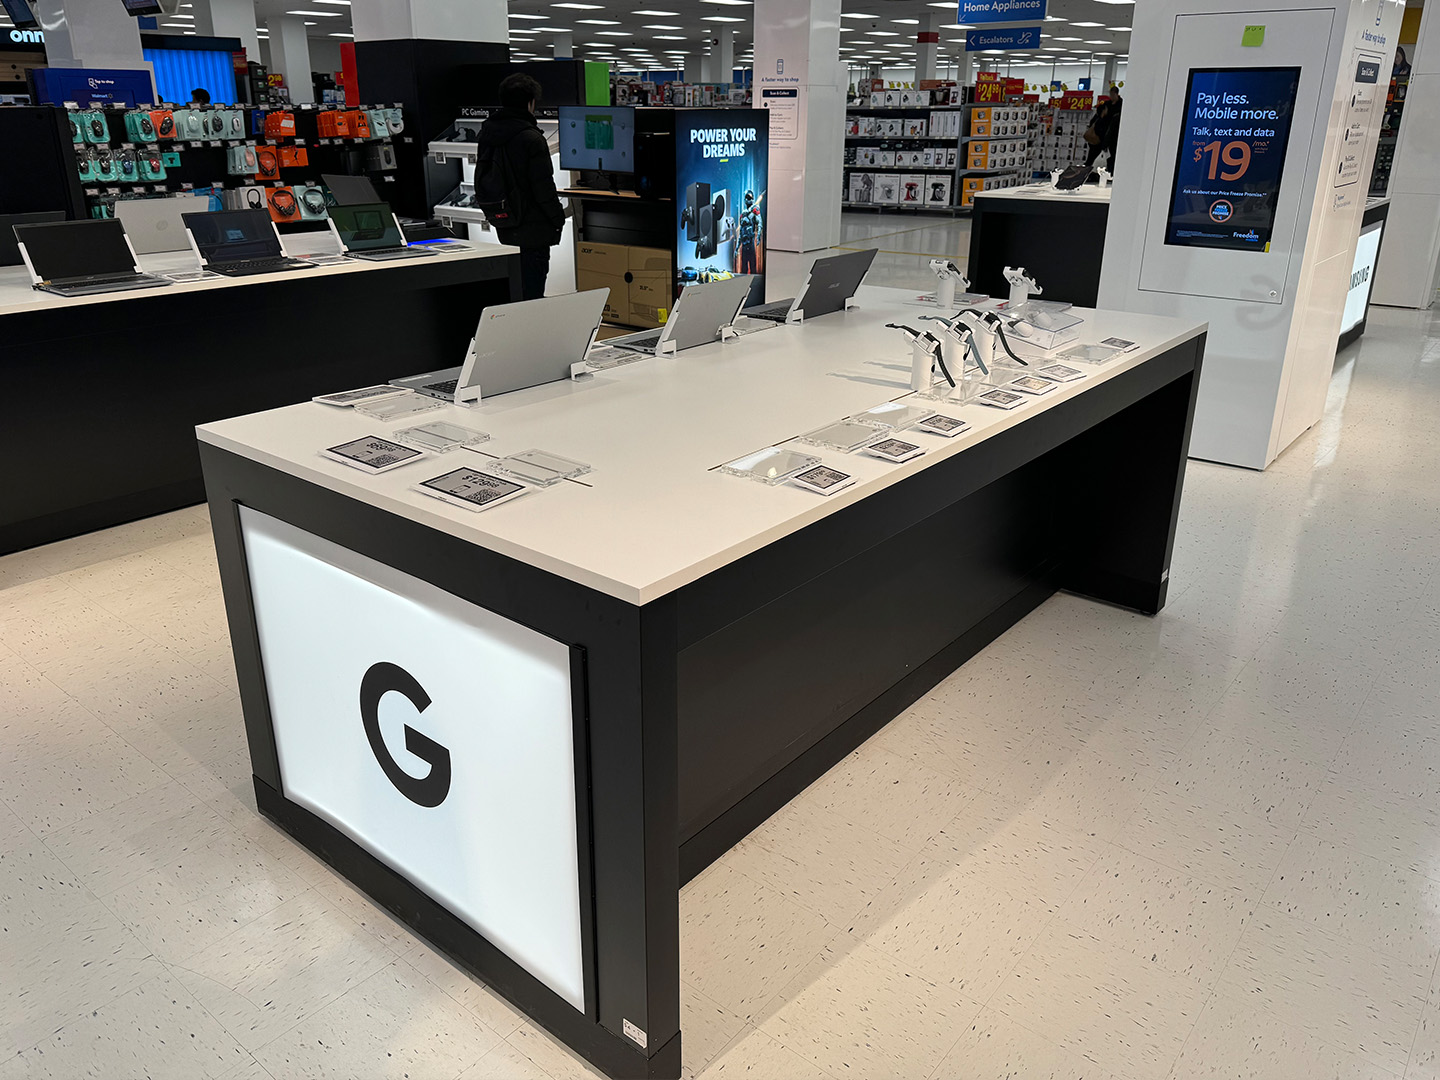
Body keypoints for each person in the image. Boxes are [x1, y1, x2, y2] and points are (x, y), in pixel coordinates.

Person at [477, 73, 566, 301]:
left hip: (505, 222)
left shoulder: (487, 133)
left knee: (515, 289)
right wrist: (557, 219)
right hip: (534, 228)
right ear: (530, 103)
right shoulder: (531, 138)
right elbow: (543, 188)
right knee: (533, 291)